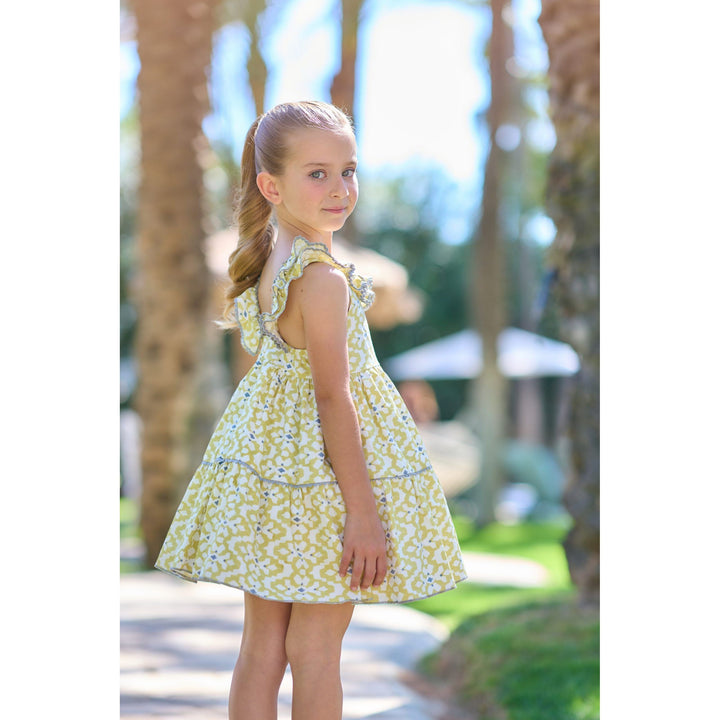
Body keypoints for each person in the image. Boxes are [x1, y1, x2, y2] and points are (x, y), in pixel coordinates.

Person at [155, 100, 467, 720]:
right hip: (322, 486)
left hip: (275, 477)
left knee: (262, 648)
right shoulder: (322, 278)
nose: (340, 188)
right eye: (317, 174)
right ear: (272, 186)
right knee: (317, 650)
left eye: (348, 170)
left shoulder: (273, 261)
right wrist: (364, 515)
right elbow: (332, 396)